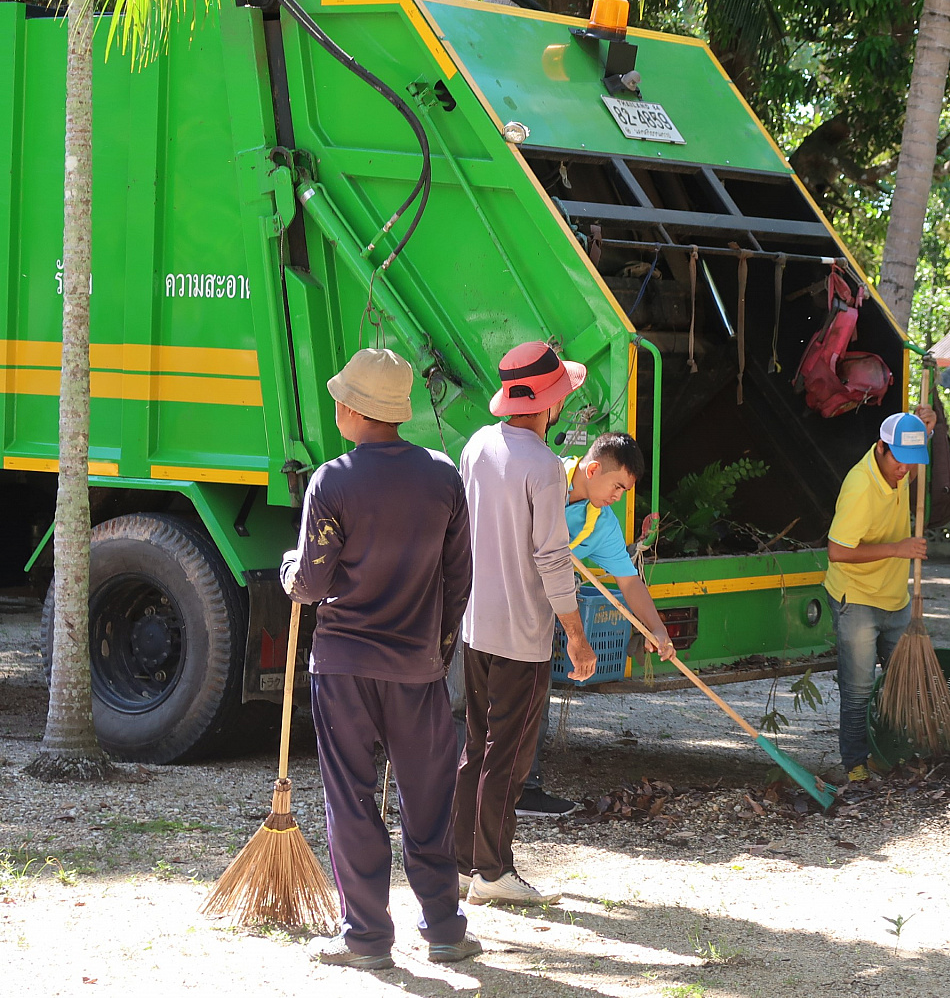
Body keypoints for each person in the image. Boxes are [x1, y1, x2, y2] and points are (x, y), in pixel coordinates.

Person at [280, 347, 479, 970]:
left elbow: (311, 583)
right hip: (417, 669)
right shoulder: (442, 477)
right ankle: (444, 930)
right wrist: (436, 650)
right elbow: (458, 579)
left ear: (352, 409)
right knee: (430, 800)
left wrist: (289, 571)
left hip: (343, 667)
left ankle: (366, 938)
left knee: (352, 799)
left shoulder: (332, 480)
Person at [453, 341, 597, 908]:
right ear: (550, 402)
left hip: (475, 623)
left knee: (476, 747)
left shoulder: (476, 446)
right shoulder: (544, 466)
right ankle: (494, 869)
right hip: (522, 634)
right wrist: (576, 635)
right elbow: (553, 559)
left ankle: (461, 863)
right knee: (508, 756)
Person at [515, 432, 677, 818]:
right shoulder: (543, 474)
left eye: (625, 490)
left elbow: (629, 582)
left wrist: (657, 629)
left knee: (534, 700)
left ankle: (525, 790)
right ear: (592, 470)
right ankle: (457, 789)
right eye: (617, 486)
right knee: (468, 699)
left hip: (538, 614)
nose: (618, 497)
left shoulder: (601, 524)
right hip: (490, 598)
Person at [824, 408, 935, 784]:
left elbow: (913, 468)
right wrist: (897, 549)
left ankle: (889, 755)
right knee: (858, 690)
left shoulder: (903, 466)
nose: (905, 469)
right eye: (899, 460)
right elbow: (837, 551)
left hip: (895, 597)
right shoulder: (860, 486)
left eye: (911, 461)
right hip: (856, 598)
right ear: (881, 448)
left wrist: (927, 429)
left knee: (901, 682)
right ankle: (855, 765)